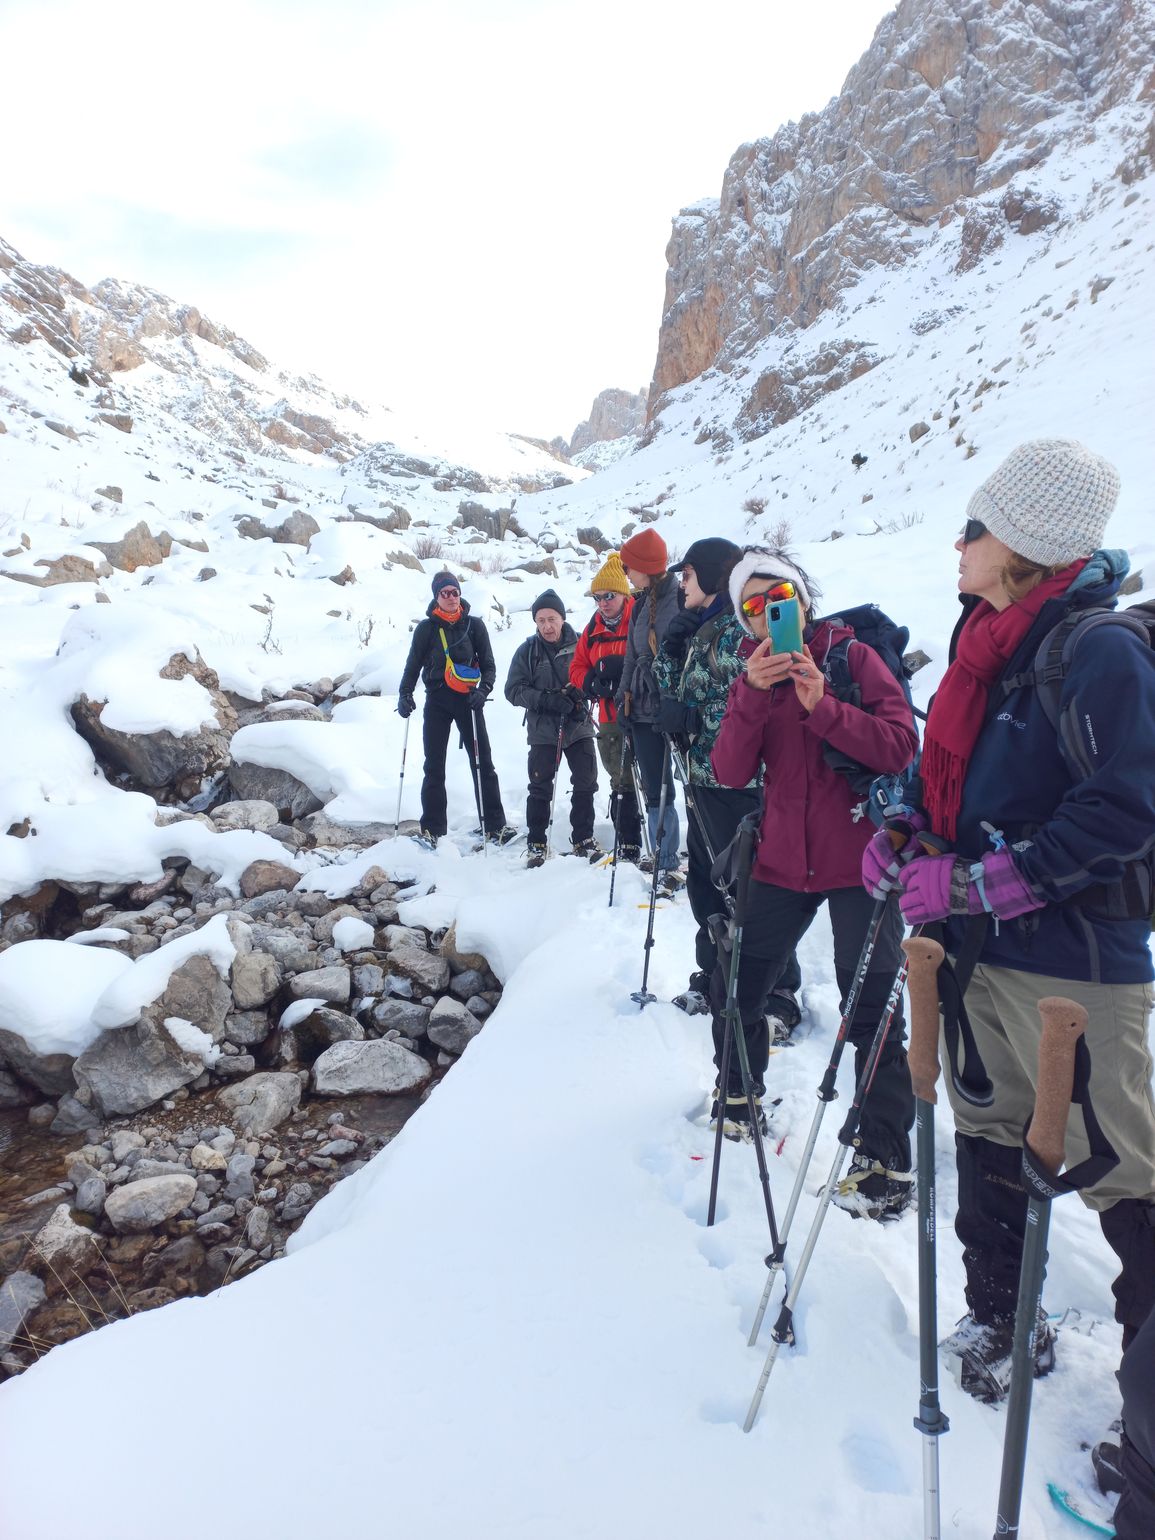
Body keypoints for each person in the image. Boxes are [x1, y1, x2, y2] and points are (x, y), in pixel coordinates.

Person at [865, 439, 1155, 1402]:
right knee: (986, 1134)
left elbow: (1120, 810)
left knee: (1125, 1179)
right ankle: (999, 1318)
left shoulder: (1097, 651)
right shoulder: (982, 642)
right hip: (978, 959)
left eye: (975, 527)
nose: (958, 543)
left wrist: (976, 885)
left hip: (1076, 970)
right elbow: (955, 781)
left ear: (1022, 541)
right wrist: (907, 827)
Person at [710, 546, 918, 1198]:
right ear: (742, 620)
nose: (768, 612)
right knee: (738, 982)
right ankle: (737, 1096)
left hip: (859, 861)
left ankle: (883, 1157)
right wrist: (749, 694)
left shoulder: (851, 658)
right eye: (752, 605)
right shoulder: (749, 677)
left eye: (778, 598)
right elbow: (729, 772)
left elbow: (896, 746)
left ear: (801, 598)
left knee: (873, 1010)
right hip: (778, 860)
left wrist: (822, 703)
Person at [654, 536, 802, 1026]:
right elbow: (681, 691)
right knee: (706, 885)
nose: (681, 583)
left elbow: (757, 693)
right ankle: (713, 977)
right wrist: (670, 654)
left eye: (688, 574)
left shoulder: (741, 626)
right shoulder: (700, 628)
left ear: (711, 575)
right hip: (702, 776)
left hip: (741, 783)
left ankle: (777, 993)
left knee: (751, 887)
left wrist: (695, 718)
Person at [397, 570, 514, 846]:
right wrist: (404, 694)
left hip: (469, 700)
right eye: (445, 593)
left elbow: (489, 666)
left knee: (483, 763)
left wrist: (483, 692)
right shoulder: (426, 629)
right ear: (436, 597)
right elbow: (412, 666)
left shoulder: (474, 626)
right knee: (434, 765)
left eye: (455, 592)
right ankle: (433, 829)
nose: (451, 597)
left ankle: (495, 826)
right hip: (437, 700)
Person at [504, 589, 600, 869]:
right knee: (540, 785)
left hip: (579, 725)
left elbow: (595, 678)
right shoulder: (527, 651)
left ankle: (583, 839)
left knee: (585, 782)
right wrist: (546, 700)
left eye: (552, 619)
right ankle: (536, 843)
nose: (547, 626)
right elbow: (513, 690)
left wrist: (580, 695)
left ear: (562, 618)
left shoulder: (583, 643)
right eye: (541, 620)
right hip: (543, 730)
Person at [615, 529, 682, 887]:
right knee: (655, 786)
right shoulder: (640, 603)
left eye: (629, 564)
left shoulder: (679, 598)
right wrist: (622, 699)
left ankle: (695, 855)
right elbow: (631, 657)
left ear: (646, 566)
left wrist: (675, 700)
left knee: (688, 782)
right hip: (641, 707)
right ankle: (665, 858)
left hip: (672, 706)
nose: (625, 570)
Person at [570, 552, 643, 862]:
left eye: (608, 596)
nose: (602, 602)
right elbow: (575, 667)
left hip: (643, 712)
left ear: (622, 594)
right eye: (597, 597)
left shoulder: (640, 616)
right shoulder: (593, 629)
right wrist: (590, 683)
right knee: (620, 779)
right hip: (610, 718)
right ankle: (629, 842)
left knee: (653, 781)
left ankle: (662, 850)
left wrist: (627, 669)